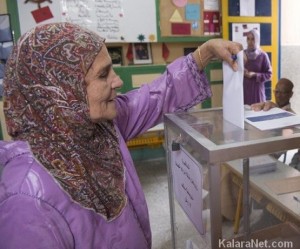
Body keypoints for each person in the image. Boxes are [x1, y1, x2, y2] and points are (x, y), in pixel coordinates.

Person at [0, 22, 242, 249]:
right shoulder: (26, 200)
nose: (117, 81)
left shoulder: (97, 128)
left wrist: (206, 53)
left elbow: (153, 98)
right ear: (59, 91)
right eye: (103, 75)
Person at [243, 28, 272, 105]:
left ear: (257, 40)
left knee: (258, 112)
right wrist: (242, 71)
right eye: (248, 39)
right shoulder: (242, 54)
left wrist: (255, 75)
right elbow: (236, 69)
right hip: (245, 90)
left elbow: (269, 75)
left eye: (253, 39)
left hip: (257, 90)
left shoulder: (262, 56)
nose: (250, 42)